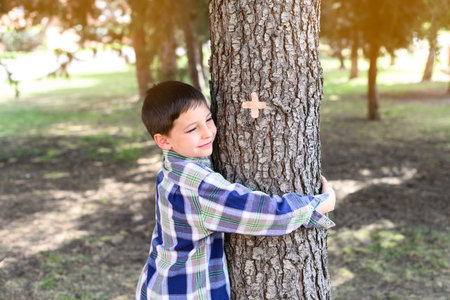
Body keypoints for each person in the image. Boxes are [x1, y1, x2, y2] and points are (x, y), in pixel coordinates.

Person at [136, 81, 336, 300]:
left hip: (159, 283)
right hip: (183, 292)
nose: (207, 133)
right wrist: (319, 204)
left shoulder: (172, 167)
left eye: (209, 119)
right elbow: (262, 213)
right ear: (163, 141)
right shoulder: (198, 186)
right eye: (192, 129)